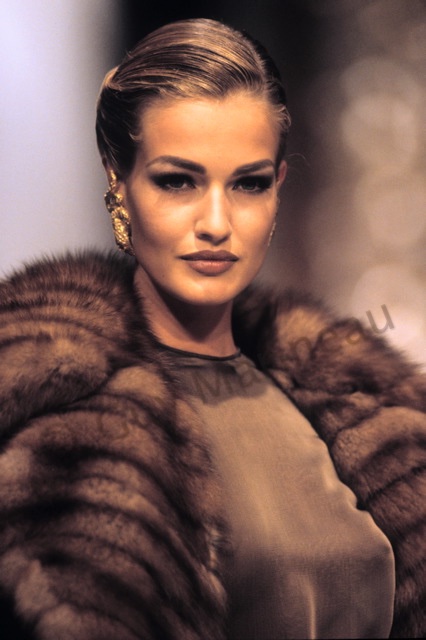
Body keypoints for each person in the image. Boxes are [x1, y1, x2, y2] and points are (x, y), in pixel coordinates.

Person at [0, 17, 424, 640]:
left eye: (248, 184)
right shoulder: (52, 423)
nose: (217, 223)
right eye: (178, 181)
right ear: (119, 184)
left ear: (278, 190)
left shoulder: (356, 404)